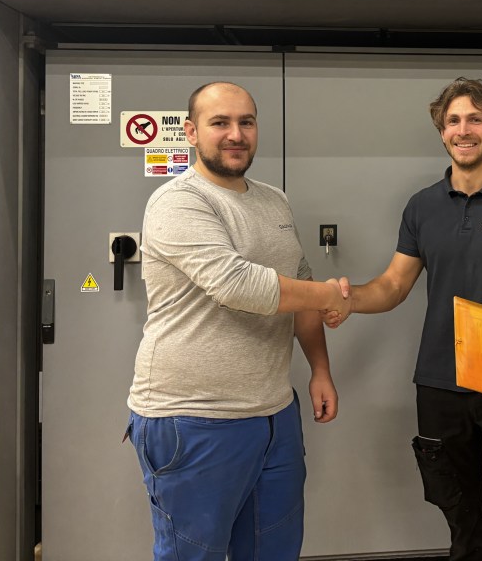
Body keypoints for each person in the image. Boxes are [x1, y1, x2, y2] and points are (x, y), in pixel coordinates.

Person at [326, 77, 482, 561]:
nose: (463, 130)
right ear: (442, 132)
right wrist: (350, 301)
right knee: (463, 525)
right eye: (453, 121)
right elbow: (394, 286)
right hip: (439, 386)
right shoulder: (422, 206)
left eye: (476, 119)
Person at [126, 81, 349, 561]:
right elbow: (239, 285)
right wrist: (333, 295)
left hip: (273, 414)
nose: (236, 134)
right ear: (191, 132)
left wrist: (320, 369)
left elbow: (299, 286)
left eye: (246, 122)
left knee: (275, 551)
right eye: (220, 123)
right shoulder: (178, 201)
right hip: (193, 419)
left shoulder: (274, 200)